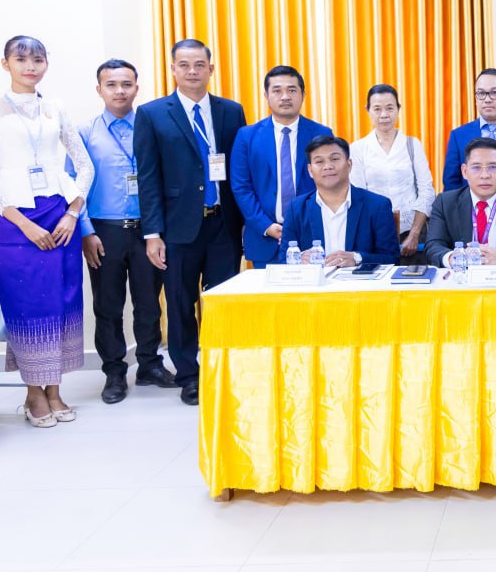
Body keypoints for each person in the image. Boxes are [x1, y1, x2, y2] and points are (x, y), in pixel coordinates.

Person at [0, 36, 93, 427]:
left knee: (61, 301)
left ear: (46, 64)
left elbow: (84, 166)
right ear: (5, 64)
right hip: (13, 219)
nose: (30, 66)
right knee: (27, 304)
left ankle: (54, 391)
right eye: (21, 59)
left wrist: (72, 213)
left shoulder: (56, 109)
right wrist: (22, 223)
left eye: (37, 59)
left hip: (59, 215)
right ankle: (33, 394)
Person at [134, 38, 247, 406]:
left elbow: (239, 169)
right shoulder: (152, 114)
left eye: (199, 64)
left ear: (211, 69)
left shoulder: (231, 111)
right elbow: (148, 178)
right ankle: (189, 375)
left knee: (221, 302)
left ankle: (222, 368)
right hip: (176, 228)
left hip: (223, 225)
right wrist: (152, 233)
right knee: (180, 304)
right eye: (184, 65)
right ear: (173, 69)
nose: (192, 71)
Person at [70, 59, 174, 405]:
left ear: (136, 88)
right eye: (111, 84)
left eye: (126, 84)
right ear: (99, 89)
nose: (119, 91)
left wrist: (158, 230)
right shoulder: (84, 132)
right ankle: (114, 372)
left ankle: (149, 365)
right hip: (104, 231)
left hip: (148, 230)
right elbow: (73, 185)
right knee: (108, 305)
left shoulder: (152, 127)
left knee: (149, 303)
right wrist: (86, 232)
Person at [230, 66, 332, 269]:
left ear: (303, 95)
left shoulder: (321, 134)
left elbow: (329, 183)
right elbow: (242, 187)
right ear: (266, 96)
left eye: (292, 90)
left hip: (312, 237)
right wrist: (266, 226)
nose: (285, 96)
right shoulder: (247, 136)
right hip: (265, 237)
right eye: (277, 90)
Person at [277, 136, 400, 266]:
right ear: (310, 170)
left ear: (349, 164)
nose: (328, 166)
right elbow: (283, 260)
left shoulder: (378, 205)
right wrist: (298, 260)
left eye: (335, 159)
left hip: (359, 279)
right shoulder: (296, 208)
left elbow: (392, 258)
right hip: (315, 279)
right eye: (319, 161)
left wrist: (357, 258)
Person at [349, 84, 435, 262]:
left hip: (411, 234)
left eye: (389, 108)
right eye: (377, 109)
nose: (384, 115)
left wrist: (414, 233)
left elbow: (426, 191)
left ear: (398, 109)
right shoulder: (357, 149)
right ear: (367, 110)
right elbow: (358, 195)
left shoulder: (412, 145)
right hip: (374, 234)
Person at [425, 137, 496, 268]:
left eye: (492, 167)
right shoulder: (445, 202)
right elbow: (433, 246)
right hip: (461, 277)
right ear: (464, 172)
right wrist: (454, 258)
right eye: (476, 167)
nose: (485, 175)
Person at [443, 68, 496, 192]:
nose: (487, 99)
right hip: (471, 204)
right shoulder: (458, 136)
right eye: (481, 93)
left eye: (494, 93)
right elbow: (451, 184)